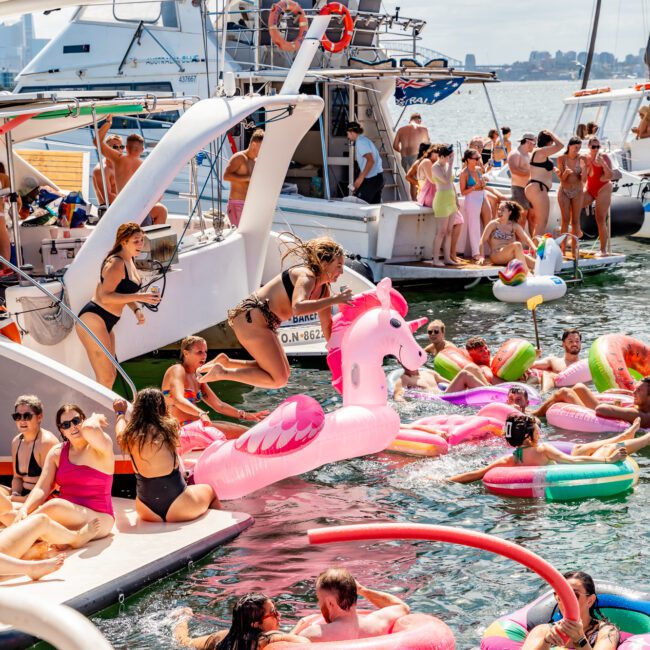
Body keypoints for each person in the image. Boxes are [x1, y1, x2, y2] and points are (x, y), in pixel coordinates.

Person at [198, 235, 352, 389]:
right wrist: (334, 300)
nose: (341, 271)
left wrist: (338, 354)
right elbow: (298, 308)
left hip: (262, 322)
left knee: (284, 374)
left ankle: (226, 363)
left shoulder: (323, 290)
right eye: (338, 265)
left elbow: (326, 326)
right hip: (251, 319)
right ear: (324, 263)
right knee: (279, 379)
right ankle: (222, 373)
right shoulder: (306, 276)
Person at [12, 404, 115, 543]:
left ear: (84, 421)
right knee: (10, 513)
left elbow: (90, 429)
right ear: (62, 430)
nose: (72, 427)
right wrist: (25, 509)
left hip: (99, 518)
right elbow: (42, 488)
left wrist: (96, 417)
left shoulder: (100, 446)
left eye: (76, 421)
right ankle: (68, 540)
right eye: (66, 425)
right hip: (65, 515)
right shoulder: (57, 452)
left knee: (54, 506)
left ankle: (12, 534)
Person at [116, 388, 220, 523]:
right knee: (210, 491)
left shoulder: (128, 436)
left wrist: (120, 413)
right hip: (180, 504)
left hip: (146, 509)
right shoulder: (170, 428)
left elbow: (120, 433)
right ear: (162, 408)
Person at [77, 222, 160, 388]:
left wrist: (136, 308)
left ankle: (104, 412)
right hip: (94, 318)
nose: (140, 244)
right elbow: (106, 297)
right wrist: (141, 296)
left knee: (111, 376)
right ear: (124, 242)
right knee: (106, 378)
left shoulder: (130, 261)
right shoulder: (116, 263)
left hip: (108, 321)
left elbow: (121, 292)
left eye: (142, 240)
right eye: (136, 241)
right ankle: (98, 413)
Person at [449, 413, 629, 484]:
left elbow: (477, 474)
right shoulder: (543, 450)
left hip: (528, 499)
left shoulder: (511, 459)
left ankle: (622, 437)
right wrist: (608, 460)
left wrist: (447, 480)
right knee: (603, 449)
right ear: (528, 436)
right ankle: (624, 439)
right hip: (554, 490)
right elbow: (573, 461)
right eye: (537, 430)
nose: (540, 434)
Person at [161, 336, 268, 442]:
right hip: (180, 430)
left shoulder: (197, 376)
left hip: (195, 427)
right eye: (199, 352)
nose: (204, 356)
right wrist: (201, 414)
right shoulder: (177, 370)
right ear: (186, 353)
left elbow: (219, 405)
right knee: (247, 435)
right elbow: (178, 400)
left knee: (246, 431)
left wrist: (247, 415)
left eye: (205, 352)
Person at [291, 567, 410, 642]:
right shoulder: (377, 623)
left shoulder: (313, 634)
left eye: (319, 599)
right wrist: (364, 590)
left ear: (330, 603)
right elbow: (402, 607)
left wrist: (299, 626)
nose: (319, 603)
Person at [522, 571, 620, 650]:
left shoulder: (606, 632)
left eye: (573, 595)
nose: (566, 601)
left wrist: (579, 639)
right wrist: (546, 642)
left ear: (590, 600)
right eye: (561, 595)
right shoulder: (542, 631)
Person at [97, 115, 167, 225]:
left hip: (122, 212)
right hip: (140, 211)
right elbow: (159, 194)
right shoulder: (146, 166)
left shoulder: (118, 160)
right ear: (142, 150)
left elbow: (97, 141)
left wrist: (108, 123)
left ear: (127, 148)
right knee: (158, 215)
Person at [173, 594, 310, 649]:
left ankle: (182, 617)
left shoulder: (224, 638)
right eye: (273, 612)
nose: (278, 614)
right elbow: (306, 644)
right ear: (256, 624)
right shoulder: (265, 639)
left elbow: (184, 642)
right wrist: (301, 624)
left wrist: (183, 620)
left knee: (185, 641)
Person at [533, 376, 650, 428]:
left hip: (596, 419)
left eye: (638, 390)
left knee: (564, 392)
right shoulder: (643, 405)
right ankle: (539, 412)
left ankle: (534, 415)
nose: (634, 392)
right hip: (604, 414)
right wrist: (625, 393)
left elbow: (600, 410)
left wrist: (615, 407)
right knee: (580, 387)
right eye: (635, 388)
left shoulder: (640, 415)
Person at [9, 395, 59, 500]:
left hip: (44, 497)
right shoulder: (16, 442)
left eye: (27, 416)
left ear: (39, 417)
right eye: (17, 416)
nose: (22, 421)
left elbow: (53, 484)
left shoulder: (47, 442)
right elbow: (17, 477)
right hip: (23, 495)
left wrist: (21, 501)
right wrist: (15, 494)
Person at [478, 201, 537, 272]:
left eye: (502, 210)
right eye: (499, 209)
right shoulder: (493, 224)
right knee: (517, 245)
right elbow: (482, 241)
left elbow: (526, 239)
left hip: (511, 256)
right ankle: (526, 272)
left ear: (510, 212)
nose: (499, 211)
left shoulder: (514, 225)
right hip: (496, 255)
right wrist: (481, 256)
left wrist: (534, 248)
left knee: (536, 264)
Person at [524, 130, 563, 236]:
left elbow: (539, 167)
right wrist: (552, 134)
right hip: (538, 189)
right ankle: (537, 251)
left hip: (534, 187)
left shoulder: (538, 152)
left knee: (535, 221)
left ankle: (534, 249)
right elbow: (561, 145)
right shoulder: (541, 151)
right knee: (542, 222)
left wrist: (553, 169)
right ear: (549, 141)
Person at [223, 128, 264, 227]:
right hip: (237, 204)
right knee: (238, 235)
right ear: (254, 144)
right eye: (262, 146)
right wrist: (247, 178)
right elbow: (226, 176)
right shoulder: (240, 157)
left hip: (250, 206)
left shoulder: (256, 161)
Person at [430, 144, 459, 267]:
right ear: (441, 156)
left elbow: (451, 183)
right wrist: (451, 164)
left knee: (449, 231)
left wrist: (456, 199)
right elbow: (446, 180)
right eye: (448, 157)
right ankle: (436, 259)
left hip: (450, 199)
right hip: (441, 200)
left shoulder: (447, 165)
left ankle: (447, 258)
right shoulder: (435, 167)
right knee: (441, 231)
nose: (449, 159)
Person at [583, 137, 613, 256]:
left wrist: (603, 164)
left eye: (598, 147)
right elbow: (583, 178)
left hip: (603, 188)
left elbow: (610, 175)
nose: (596, 149)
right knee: (574, 206)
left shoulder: (604, 157)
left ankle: (603, 250)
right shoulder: (585, 158)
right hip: (590, 188)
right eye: (593, 147)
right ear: (589, 147)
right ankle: (575, 235)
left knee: (600, 218)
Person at [393, 365, 489, 402]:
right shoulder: (404, 378)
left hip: (446, 394)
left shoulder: (430, 373)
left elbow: (451, 384)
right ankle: (491, 393)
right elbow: (398, 395)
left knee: (470, 368)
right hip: (441, 399)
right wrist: (406, 406)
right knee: (464, 374)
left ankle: (491, 389)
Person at [557, 136, 587, 254]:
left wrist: (583, 169)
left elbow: (583, 180)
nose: (577, 150)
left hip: (578, 191)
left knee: (575, 221)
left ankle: (574, 250)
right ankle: (562, 250)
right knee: (565, 220)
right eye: (575, 147)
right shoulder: (561, 158)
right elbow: (562, 179)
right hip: (564, 190)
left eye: (579, 148)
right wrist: (565, 173)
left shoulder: (582, 158)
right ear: (569, 146)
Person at [393, 113, 430, 197]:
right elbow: (428, 146)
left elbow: (395, 146)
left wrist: (402, 152)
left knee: (412, 182)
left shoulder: (401, 129)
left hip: (404, 158)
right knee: (420, 180)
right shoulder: (423, 128)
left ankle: (414, 201)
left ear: (410, 120)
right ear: (419, 120)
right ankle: (419, 201)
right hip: (416, 157)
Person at [346, 122, 384, 204]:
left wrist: (360, 179)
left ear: (352, 133)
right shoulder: (365, 140)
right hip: (377, 177)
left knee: (359, 204)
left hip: (372, 179)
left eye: (348, 134)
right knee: (374, 206)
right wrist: (360, 179)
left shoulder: (360, 142)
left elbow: (371, 161)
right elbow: (367, 163)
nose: (347, 137)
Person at [459, 148, 486, 261]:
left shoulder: (479, 169)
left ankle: (486, 250)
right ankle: (476, 253)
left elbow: (483, 184)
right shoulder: (464, 173)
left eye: (479, 158)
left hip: (482, 196)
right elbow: (463, 192)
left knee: (487, 222)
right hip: (472, 199)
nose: (478, 160)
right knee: (474, 225)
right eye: (476, 158)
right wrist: (475, 187)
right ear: (469, 160)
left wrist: (483, 184)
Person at [508, 133, 536, 233]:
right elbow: (514, 170)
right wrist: (532, 173)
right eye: (534, 143)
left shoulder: (529, 155)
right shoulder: (515, 154)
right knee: (521, 219)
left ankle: (533, 246)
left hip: (530, 190)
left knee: (533, 218)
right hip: (519, 189)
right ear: (528, 142)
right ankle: (518, 245)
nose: (535, 145)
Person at [92, 134, 121, 207]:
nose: (119, 149)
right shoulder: (102, 169)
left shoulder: (119, 166)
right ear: (106, 148)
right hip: (108, 211)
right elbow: (108, 198)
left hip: (121, 207)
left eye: (121, 147)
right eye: (115, 147)